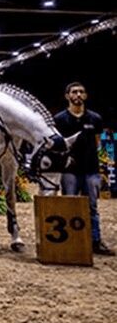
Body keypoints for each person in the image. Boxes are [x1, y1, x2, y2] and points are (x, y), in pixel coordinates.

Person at [54, 82, 114, 256]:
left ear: (85, 96)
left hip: (91, 170)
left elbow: (96, 142)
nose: (78, 94)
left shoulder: (95, 118)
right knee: (69, 206)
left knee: (92, 207)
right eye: (74, 92)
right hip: (69, 172)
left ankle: (95, 241)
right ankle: (71, 240)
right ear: (67, 96)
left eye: (81, 92)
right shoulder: (59, 119)